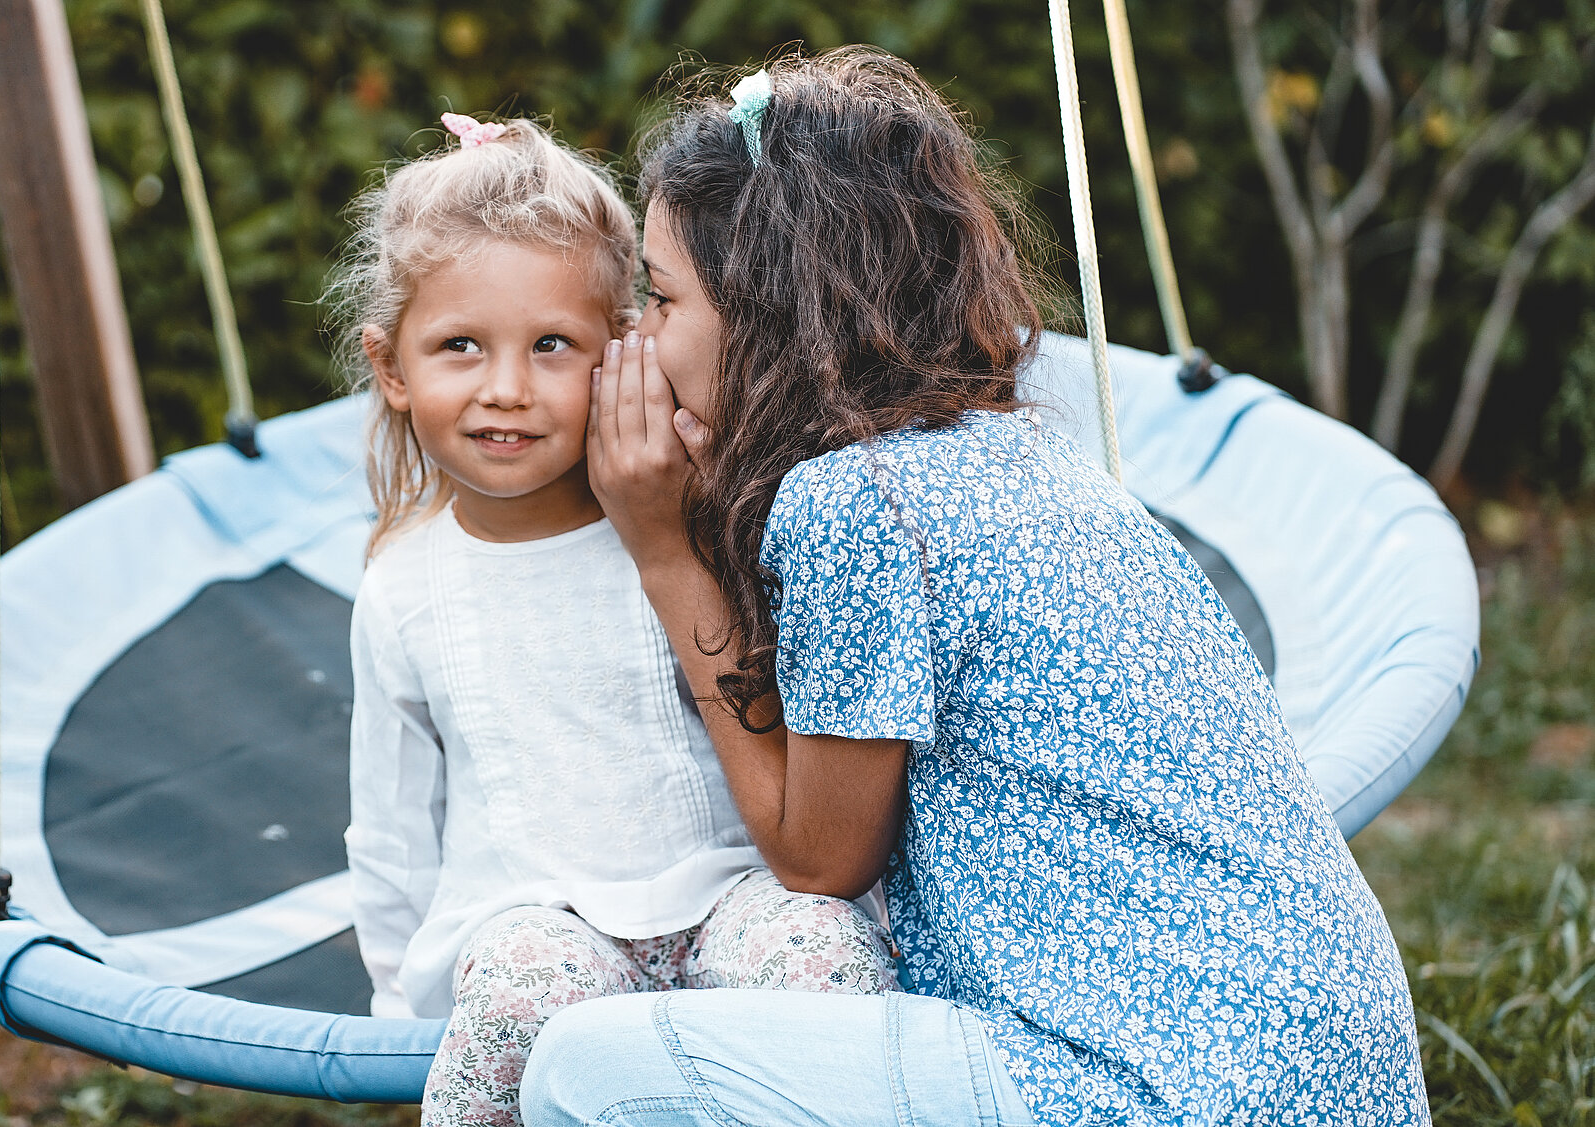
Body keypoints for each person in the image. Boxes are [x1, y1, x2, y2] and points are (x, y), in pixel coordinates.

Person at [520, 50, 1429, 1127]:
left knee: (579, 1066)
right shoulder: (1021, 455)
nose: (640, 341)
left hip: (1148, 1087)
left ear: (770, 312)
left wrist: (663, 545)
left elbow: (818, 855)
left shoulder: (856, 505)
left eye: (662, 299)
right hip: (1335, 1066)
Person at [332, 112, 899, 1127]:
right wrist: (391, 1007)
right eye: (459, 346)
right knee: (524, 991)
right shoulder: (404, 586)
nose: (506, 387)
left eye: (552, 344)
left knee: (821, 953)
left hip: (725, 890)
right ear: (391, 366)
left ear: (622, 350)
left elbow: (779, 716)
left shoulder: (683, 515)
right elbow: (389, 827)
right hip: (534, 916)